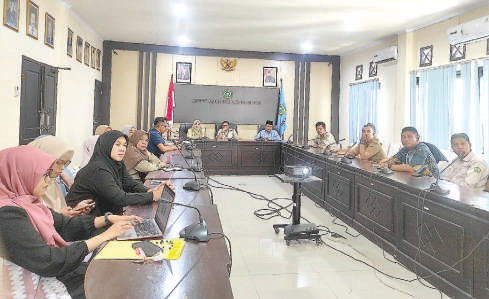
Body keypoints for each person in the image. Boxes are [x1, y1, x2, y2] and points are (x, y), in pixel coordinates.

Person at [0, 146, 140, 299]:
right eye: (44, 175)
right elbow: (47, 260)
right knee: (113, 281)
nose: (49, 180)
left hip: (48, 269)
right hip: (34, 283)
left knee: (114, 270)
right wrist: (104, 236)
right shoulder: (8, 214)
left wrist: (108, 219)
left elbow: (63, 224)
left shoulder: (28, 201)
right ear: (21, 175)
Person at [67, 130, 167, 216]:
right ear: (106, 145)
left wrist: (149, 191)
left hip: (105, 215)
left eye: (124, 145)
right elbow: (119, 198)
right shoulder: (97, 169)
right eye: (117, 144)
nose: (122, 149)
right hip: (83, 222)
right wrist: (152, 196)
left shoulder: (116, 163)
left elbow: (129, 183)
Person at [28, 136, 94, 217]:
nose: (63, 168)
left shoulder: (52, 183)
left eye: (65, 163)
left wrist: (74, 212)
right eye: (59, 162)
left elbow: (58, 213)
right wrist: (60, 216)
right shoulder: (29, 188)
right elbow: (38, 221)